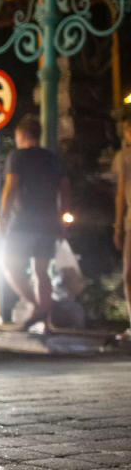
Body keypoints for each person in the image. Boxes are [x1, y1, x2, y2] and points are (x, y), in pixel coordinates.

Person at [0, 114, 70, 332]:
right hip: (48, 222)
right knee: (41, 272)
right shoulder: (53, 159)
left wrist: (2, 218)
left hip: (23, 222)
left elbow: (11, 188)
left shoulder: (17, 157)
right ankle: (45, 322)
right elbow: (65, 189)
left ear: (21, 136)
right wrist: (62, 220)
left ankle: (37, 307)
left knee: (8, 265)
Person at [112, 116, 131, 341]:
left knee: (129, 274)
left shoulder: (124, 157)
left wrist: (117, 226)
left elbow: (120, 194)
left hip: (129, 222)